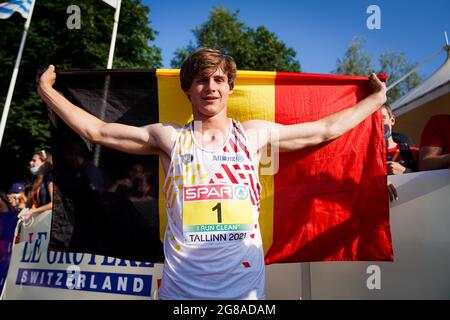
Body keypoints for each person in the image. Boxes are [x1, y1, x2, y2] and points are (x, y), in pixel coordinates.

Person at [37, 48, 387, 300]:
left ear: (230, 88)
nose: (211, 87)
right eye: (201, 80)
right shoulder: (168, 137)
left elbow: (324, 130)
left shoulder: (253, 134)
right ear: (187, 88)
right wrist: (47, 92)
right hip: (181, 293)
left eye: (219, 79)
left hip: (244, 293)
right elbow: (98, 131)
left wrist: (374, 101)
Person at [381, 104, 419, 174]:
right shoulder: (362, 157)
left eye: (382, 118)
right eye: (372, 120)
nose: (378, 123)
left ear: (392, 120)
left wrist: (405, 171)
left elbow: (429, 180)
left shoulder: (414, 153)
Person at [19, 150, 54, 221]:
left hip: (50, 222)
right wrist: (23, 209)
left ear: (44, 163)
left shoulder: (49, 178)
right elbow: (28, 206)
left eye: (34, 160)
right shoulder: (35, 181)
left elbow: (54, 204)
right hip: (41, 222)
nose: (30, 163)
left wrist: (33, 211)